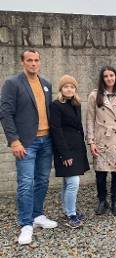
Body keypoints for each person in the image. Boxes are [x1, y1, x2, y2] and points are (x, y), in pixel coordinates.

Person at [0, 49, 58, 245]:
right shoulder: (13, 83)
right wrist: (14, 140)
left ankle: (38, 215)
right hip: (26, 143)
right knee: (26, 182)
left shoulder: (46, 84)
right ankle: (26, 223)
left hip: (46, 140)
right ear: (23, 62)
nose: (33, 63)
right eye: (29, 60)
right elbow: (5, 113)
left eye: (36, 60)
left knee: (42, 180)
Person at [86, 66, 116, 215]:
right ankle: (101, 200)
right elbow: (90, 120)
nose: (109, 78)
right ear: (102, 79)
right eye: (106, 76)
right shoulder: (95, 96)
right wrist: (91, 141)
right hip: (102, 139)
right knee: (100, 172)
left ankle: (115, 200)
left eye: (112, 75)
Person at [50, 75, 90, 228]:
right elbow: (56, 131)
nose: (69, 89)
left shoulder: (76, 104)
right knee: (73, 182)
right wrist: (64, 154)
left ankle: (68, 211)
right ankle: (71, 215)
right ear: (61, 89)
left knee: (68, 183)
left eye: (72, 87)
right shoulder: (56, 105)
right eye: (66, 86)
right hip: (65, 149)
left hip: (77, 148)